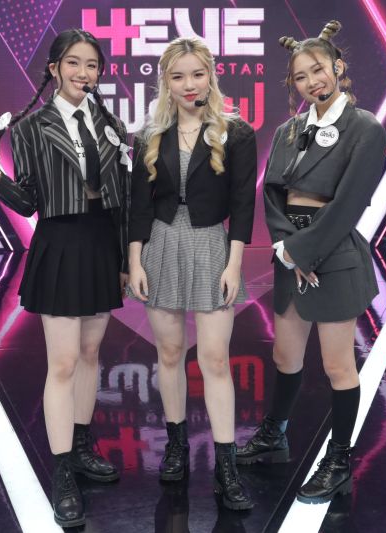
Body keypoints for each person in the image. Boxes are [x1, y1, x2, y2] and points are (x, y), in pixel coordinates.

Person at [0, 29, 130, 528]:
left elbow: (122, 197)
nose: (84, 73)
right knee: (62, 362)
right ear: (54, 69)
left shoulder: (110, 123)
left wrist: (127, 258)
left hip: (102, 243)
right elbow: (28, 202)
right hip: (60, 244)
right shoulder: (31, 127)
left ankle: (81, 446)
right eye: (74, 63)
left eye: (92, 65)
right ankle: (62, 472)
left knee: (90, 354)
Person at [236, 21, 386, 504]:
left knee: (338, 366)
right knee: (285, 357)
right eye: (300, 77)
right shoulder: (289, 130)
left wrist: (303, 250)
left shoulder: (364, 127)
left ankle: (339, 461)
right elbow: (272, 192)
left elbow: (349, 203)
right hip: (290, 252)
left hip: (333, 252)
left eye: (318, 70)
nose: (311, 82)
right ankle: (274, 435)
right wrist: (286, 248)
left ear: (337, 67)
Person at [127, 37, 257, 510]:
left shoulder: (235, 132)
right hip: (160, 244)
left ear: (211, 76)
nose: (188, 85)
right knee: (169, 352)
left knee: (216, 359)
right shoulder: (149, 135)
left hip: (211, 246)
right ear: (165, 80)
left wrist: (234, 263)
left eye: (197, 74)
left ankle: (226, 466)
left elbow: (243, 204)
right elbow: (139, 206)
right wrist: (135, 261)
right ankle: (176, 445)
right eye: (178, 76)